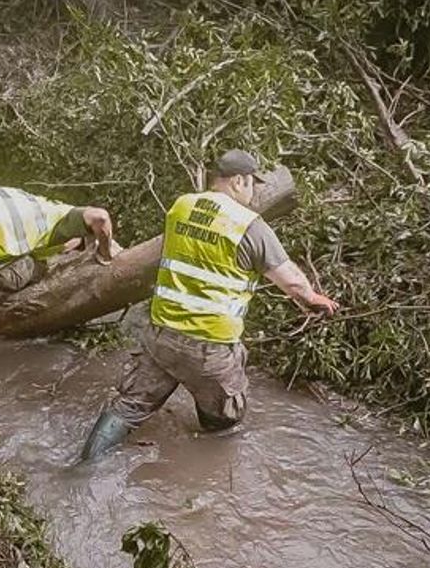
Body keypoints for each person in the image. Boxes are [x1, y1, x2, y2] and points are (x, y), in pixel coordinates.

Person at [80, 150, 339, 459]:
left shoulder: (181, 206)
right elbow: (291, 282)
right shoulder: (249, 225)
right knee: (226, 421)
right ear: (239, 181)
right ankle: (205, 475)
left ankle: (83, 467)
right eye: (252, 184)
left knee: (128, 407)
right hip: (209, 347)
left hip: (160, 334)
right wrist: (313, 300)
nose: (254, 191)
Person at [0, 185, 115, 299]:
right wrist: (105, 255)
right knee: (17, 276)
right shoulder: (67, 220)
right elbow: (101, 217)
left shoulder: (44, 206)